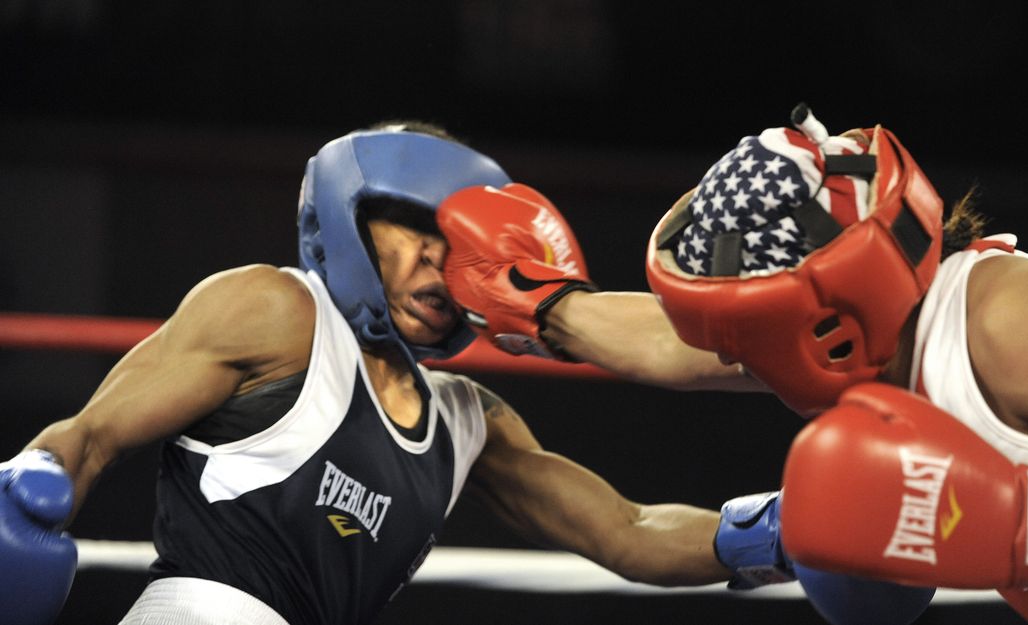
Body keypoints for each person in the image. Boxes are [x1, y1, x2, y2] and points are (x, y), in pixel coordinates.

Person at [434, 103, 1028, 624]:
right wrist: (542, 305)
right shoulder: (874, 332)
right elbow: (675, 341)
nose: (730, 356)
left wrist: (1019, 525)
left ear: (815, 319)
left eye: (743, 334)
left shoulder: (1022, 324)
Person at [0, 121, 748, 625]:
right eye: (415, 228)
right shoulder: (276, 310)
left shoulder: (468, 421)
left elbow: (628, 529)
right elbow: (91, 432)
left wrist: (771, 535)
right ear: (352, 220)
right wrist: (32, 486)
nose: (437, 257)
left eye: (454, 239)